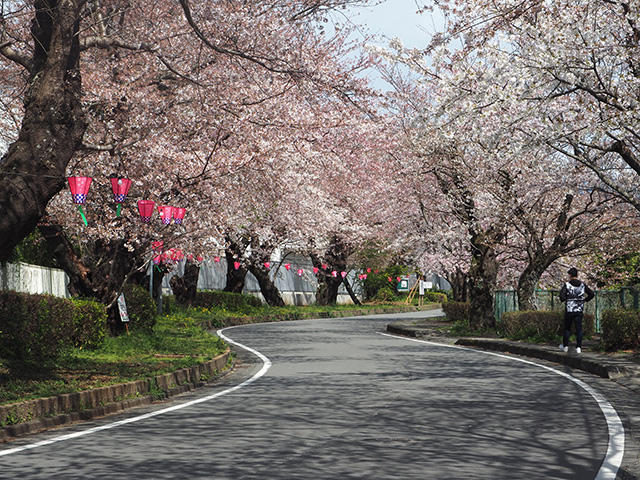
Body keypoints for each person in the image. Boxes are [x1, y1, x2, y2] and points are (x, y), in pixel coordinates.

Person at [559, 267, 594, 354]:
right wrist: (585, 300)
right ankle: (578, 347)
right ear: (577, 275)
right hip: (579, 309)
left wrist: (568, 298)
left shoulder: (567, 285)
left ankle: (565, 346)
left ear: (570, 275)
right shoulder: (582, 285)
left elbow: (562, 297)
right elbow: (592, 294)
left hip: (569, 310)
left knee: (567, 328)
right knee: (579, 329)